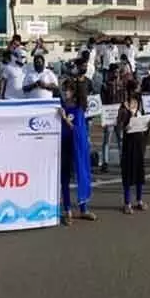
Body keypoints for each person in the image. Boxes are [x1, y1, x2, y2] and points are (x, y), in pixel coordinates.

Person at [58, 78, 95, 225]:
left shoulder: (78, 109)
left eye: (67, 90)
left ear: (72, 92)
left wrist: (64, 118)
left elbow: (77, 130)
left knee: (81, 174)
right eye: (64, 89)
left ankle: (83, 208)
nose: (65, 92)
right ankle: (67, 209)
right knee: (64, 179)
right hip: (63, 145)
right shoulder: (60, 106)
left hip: (76, 146)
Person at [117, 78, 147, 214]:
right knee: (128, 173)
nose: (138, 91)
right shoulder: (123, 107)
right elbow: (119, 125)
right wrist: (126, 124)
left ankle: (139, 200)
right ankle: (127, 202)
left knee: (140, 172)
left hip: (139, 141)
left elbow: (146, 120)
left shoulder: (140, 104)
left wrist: (146, 123)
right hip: (128, 143)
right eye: (136, 89)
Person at [98, 65, 124, 173]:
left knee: (121, 139)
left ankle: (123, 161)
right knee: (107, 139)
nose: (116, 74)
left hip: (119, 115)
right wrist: (103, 116)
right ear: (110, 73)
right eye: (114, 72)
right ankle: (105, 162)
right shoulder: (105, 86)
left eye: (117, 72)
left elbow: (124, 99)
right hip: (109, 115)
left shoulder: (121, 85)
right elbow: (102, 101)